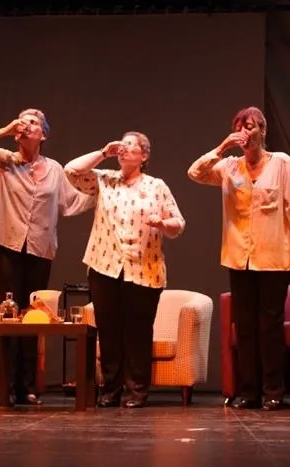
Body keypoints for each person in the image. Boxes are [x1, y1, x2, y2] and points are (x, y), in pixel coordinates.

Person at [0, 108, 94, 406]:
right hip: (8, 245)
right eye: (23, 121)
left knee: (33, 316)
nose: (26, 125)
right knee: (9, 315)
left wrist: (104, 194)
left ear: (43, 134)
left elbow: (72, 202)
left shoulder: (55, 170)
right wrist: (5, 130)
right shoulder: (3, 159)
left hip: (40, 249)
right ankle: (5, 387)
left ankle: (27, 386)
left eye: (33, 122)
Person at [187, 106, 290, 411]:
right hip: (239, 257)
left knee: (270, 326)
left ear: (262, 131)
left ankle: (273, 391)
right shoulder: (229, 167)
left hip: (273, 256)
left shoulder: (280, 163)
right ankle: (249, 392)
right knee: (244, 326)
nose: (245, 132)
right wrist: (221, 148)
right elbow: (195, 173)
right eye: (240, 127)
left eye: (251, 126)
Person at [64, 131, 185, 408]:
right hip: (104, 265)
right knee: (108, 330)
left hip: (144, 269)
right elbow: (71, 171)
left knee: (137, 331)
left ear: (144, 156)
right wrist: (103, 152)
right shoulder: (105, 179)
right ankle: (111, 389)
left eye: (132, 145)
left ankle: (137, 391)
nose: (124, 148)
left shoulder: (156, 186)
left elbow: (178, 224)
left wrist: (162, 224)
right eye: (123, 144)